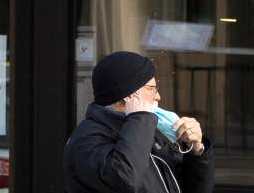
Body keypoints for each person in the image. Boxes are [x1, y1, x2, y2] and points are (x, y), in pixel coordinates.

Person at [65, 51, 214, 193]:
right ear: (128, 94)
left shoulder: (147, 129)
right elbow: (125, 179)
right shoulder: (85, 141)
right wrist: (140, 117)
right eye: (151, 89)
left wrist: (197, 151)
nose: (158, 97)